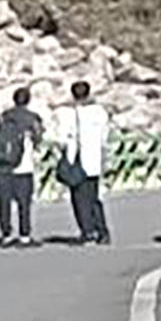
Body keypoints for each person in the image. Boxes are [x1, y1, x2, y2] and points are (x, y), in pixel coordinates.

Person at [52, 80, 111, 243]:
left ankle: (87, 231)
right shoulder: (100, 112)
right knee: (94, 198)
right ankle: (102, 230)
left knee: (79, 199)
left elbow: (61, 138)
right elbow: (105, 138)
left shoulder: (69, 114)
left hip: (77, 162)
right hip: (94, 161)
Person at [0, 86, 45, 246]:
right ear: (28, 100)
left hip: (3, 166)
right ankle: (24, 235)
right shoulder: (32, 118)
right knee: (24, 203)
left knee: (4, 202)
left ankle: (6, 234)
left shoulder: (3, 117)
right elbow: (38, 138)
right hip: (24, 166)